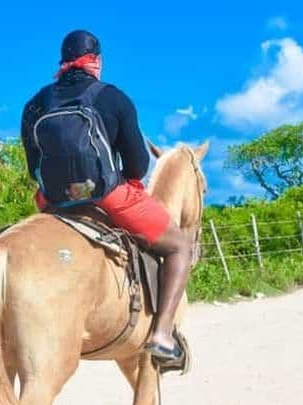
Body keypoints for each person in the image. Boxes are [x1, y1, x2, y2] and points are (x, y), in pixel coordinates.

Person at [20, 30, 192, 370]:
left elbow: (32, 166)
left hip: (52, 201)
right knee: (179, 247)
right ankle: (161, 334)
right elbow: (139, 165)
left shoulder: (36, 103)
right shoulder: (113, 98)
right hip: (107, 196)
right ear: (96, 61)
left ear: (63, 62)